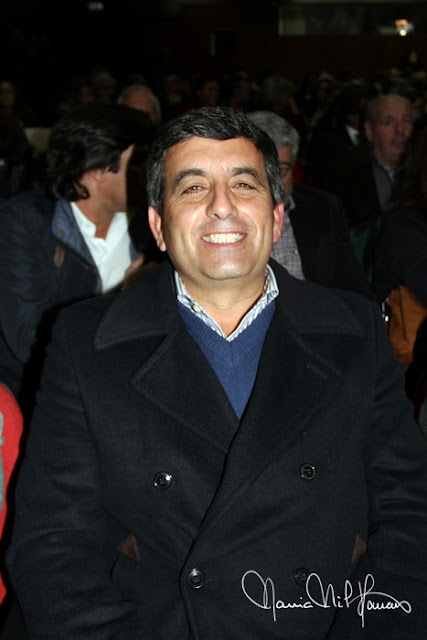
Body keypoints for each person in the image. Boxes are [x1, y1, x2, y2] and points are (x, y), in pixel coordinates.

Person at [6, 106, 427, 639]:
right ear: (158, 226)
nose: (221, 205)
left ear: (277, 216)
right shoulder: (84, 342)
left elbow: (412, 514)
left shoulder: (355, 332)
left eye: (244, 184)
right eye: (193, 187)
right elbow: (52, 543)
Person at [0, 102, 155, 415]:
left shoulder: (152, 228)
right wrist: (126, 301)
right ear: (97, 169)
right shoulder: (25, 223)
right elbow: (28, 340)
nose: (155, 172)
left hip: (123, 399)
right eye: (140, 160)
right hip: (42, 405)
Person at [247, 110, 372, 297]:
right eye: (261, 171)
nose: (272, 183)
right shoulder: (224, 215)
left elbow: (353, 284)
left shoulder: (324, 208)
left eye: (281, 170)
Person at [325, 93, 414, 278]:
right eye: (389, 123)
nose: (400, 131)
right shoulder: (344, 173)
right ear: (369, 131)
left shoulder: (419, 170)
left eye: (406, 121)